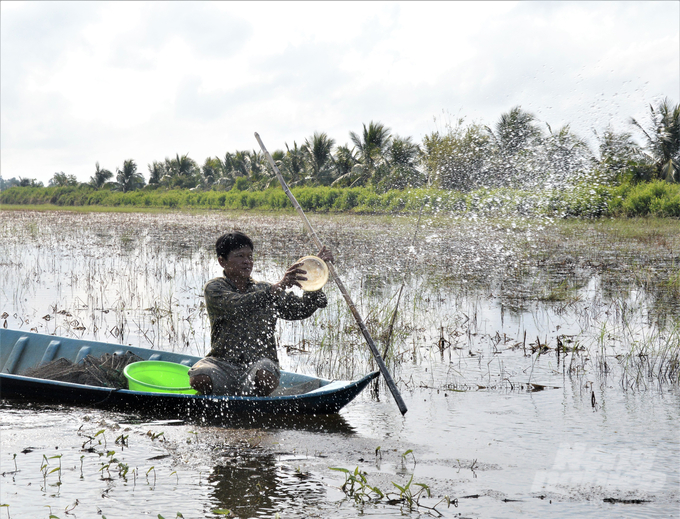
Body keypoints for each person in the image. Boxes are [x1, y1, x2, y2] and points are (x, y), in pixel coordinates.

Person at [189, 231, 333, 396]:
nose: (247, 262)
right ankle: (236, 395)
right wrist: (276, 288)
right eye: (240, 256)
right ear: (222, 261)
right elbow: (238, 305)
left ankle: (248, 396)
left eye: (250, 256)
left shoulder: (265, 289)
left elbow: (301, 309)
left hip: (259, 363)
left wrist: (315, 269)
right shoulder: (215, 288)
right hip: (222, 363)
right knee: (199, 378)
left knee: (265, 376)